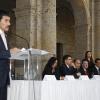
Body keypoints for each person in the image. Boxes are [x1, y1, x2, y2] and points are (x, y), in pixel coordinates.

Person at [0, 10, 19, 100]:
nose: (9, 23)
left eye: (9, 21)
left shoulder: (5, 35)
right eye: (6, 20)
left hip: (4, 76)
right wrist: (10, 52)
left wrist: (12, 58)